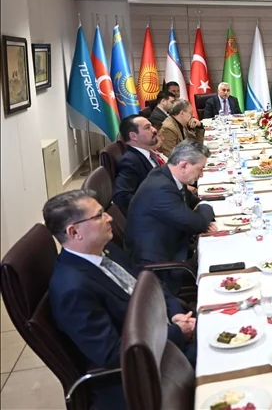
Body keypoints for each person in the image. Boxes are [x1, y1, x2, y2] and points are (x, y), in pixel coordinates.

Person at [46, 189, 196, 410]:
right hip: (147, 372)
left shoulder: (104, 250)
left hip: (165, 334)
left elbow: (148, 283)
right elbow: (114, 355)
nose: (109, 217)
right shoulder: (72, 290)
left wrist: (175, 312)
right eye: (99, 215)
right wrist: (176, 333)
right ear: (74, 231)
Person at [126, 140, 217, 294]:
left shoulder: (166, 175)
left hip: (175, 244)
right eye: (200, 169)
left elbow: (195, 203)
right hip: (162, 266)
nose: (201, 174)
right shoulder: (161, 189)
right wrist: (204, 209)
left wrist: (200, 210)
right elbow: (199, 223)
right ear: (184, 165)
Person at [112, 115, 161, 215]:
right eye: (147, 127)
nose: (154, 130)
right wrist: (155, 205)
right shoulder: (130, 161)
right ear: (133, 136)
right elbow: (121, 196)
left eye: (151, 126)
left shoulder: (147, 154)